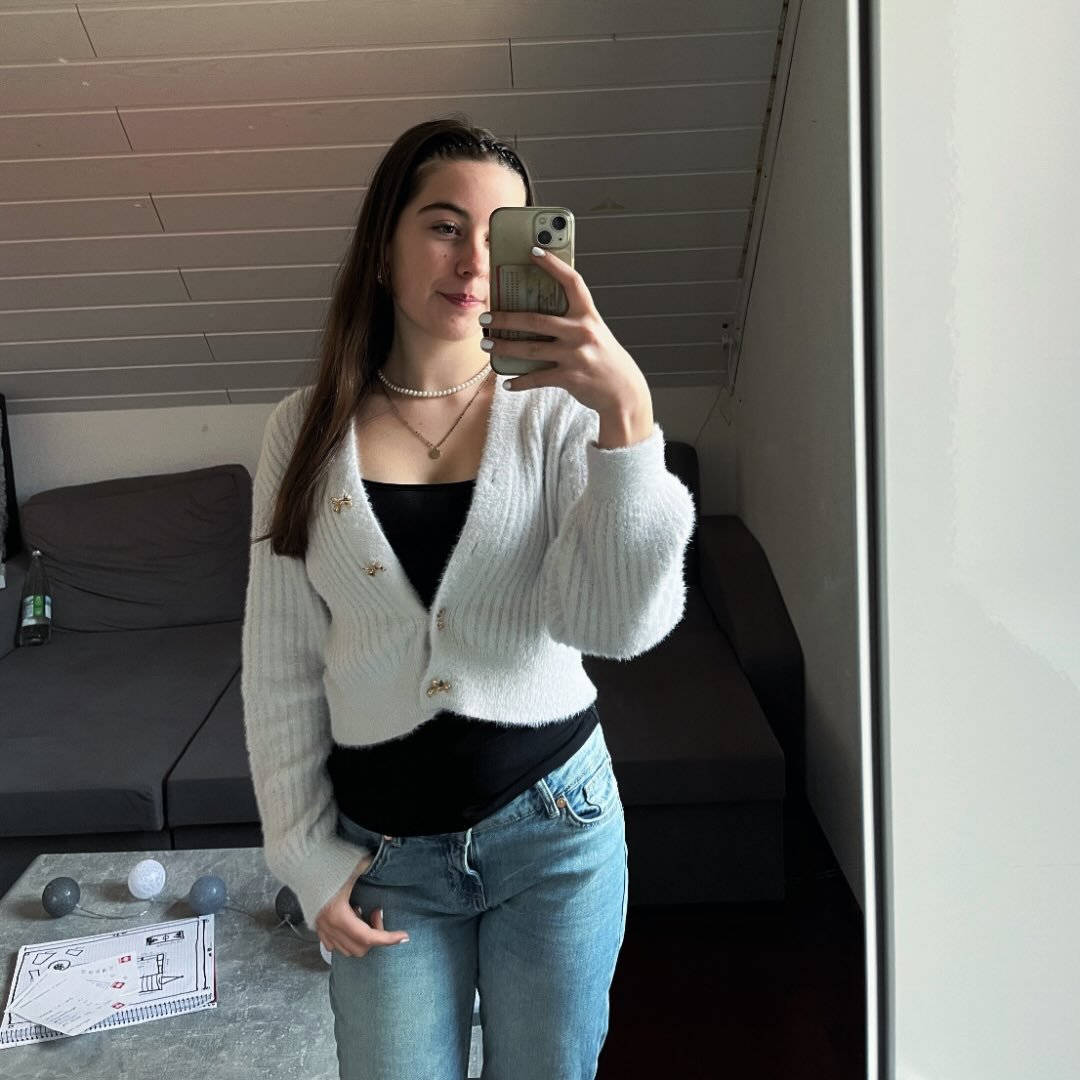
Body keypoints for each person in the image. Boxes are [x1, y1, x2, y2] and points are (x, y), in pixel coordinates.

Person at [240, 117, 695, 1080]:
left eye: (502, 235)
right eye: (445, 226)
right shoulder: (301, 430)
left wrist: (627, 419)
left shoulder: (559, 412)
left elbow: (616, 627)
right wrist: (304, 856)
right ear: (384, 247)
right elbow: (280, 668)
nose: (475, 262)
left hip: (556, 834)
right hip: (386, 860)